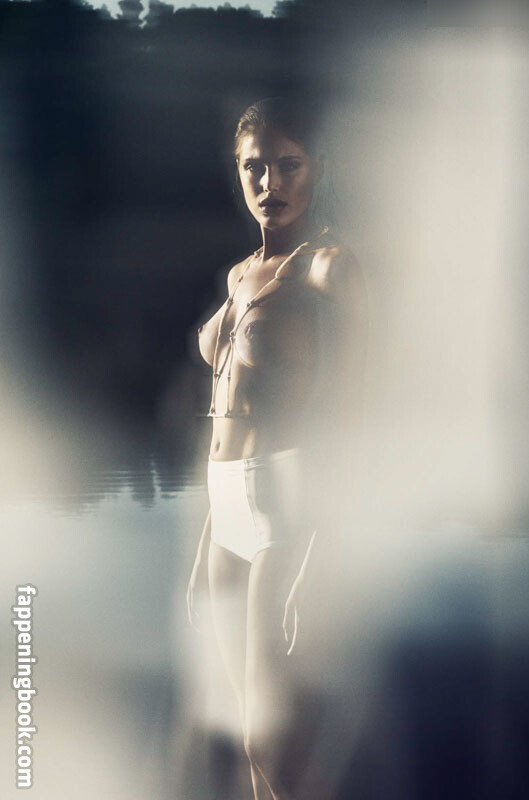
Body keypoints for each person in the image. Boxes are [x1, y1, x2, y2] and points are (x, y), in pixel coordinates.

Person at [186, 96, 367, 800]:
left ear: (316, 168)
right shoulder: (239, 276)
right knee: (242, 733)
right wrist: (210, 533)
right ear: (238, 172)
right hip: (224, 512)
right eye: (254, 167)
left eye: (288, 165)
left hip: (285, 508)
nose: (271, 183)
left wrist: (317, 548)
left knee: (269, 735)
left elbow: (356, 406)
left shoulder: (326, 265)